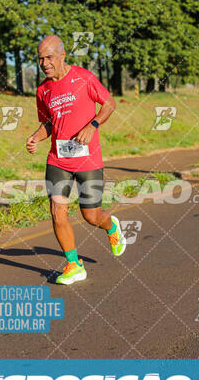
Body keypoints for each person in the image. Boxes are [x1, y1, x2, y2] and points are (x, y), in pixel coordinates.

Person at [26, 35, 126, 284]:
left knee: (91, 216)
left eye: (49, 57)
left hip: (87, 158)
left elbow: (109, 103)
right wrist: (35, 137)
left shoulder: (83, 77)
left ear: (62, 55)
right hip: (58, 159)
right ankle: (74, 265)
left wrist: (93, 124)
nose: (44, 63)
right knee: (57, 211)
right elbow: (48, 124)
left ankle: (111, 226)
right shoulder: (43, 90)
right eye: (40, 58)